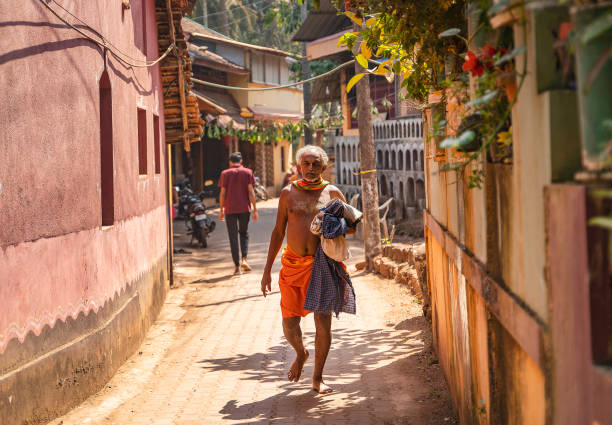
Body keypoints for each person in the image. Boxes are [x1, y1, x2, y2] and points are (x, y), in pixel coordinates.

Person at [260, 145, 352, 394]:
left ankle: (318, 378)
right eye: (306, 164)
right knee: (290, 324)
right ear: (299, 166)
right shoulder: (288, 193)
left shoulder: (332, 192)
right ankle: (301, 354)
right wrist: (267, 269)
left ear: (323, 167)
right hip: (292, 266)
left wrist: (333, 223)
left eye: (315, 164)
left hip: (322, 265)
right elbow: (279, 231)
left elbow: (352, 226)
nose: (310, 168)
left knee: (323, 323)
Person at [218, 152, 258, 275]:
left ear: (230, 162)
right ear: (240, 162)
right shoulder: (248, 172)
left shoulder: (225, 173)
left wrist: (221, 210)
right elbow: (251, 192)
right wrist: (255, 209)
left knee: (233, 236)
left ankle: (236, 267)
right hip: (244, 209)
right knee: (244, 233)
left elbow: (223, 193)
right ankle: (244, 259)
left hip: (230, 209)